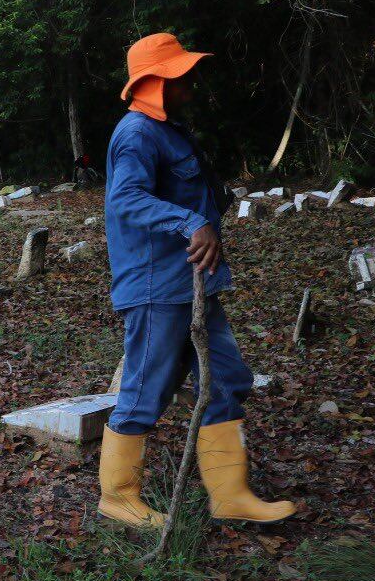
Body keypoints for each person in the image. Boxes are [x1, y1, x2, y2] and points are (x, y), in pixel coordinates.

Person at [101, 32, 297, 527]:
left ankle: (229, 494)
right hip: (156, 289)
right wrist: (191, 222)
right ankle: (118, 496)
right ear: (156, 80)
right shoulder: (137, 134)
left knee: (226, 380)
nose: (191, 82)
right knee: (146, 389)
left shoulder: (173, 131)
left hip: (194, 285)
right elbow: (125, 199)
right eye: (181, 75)